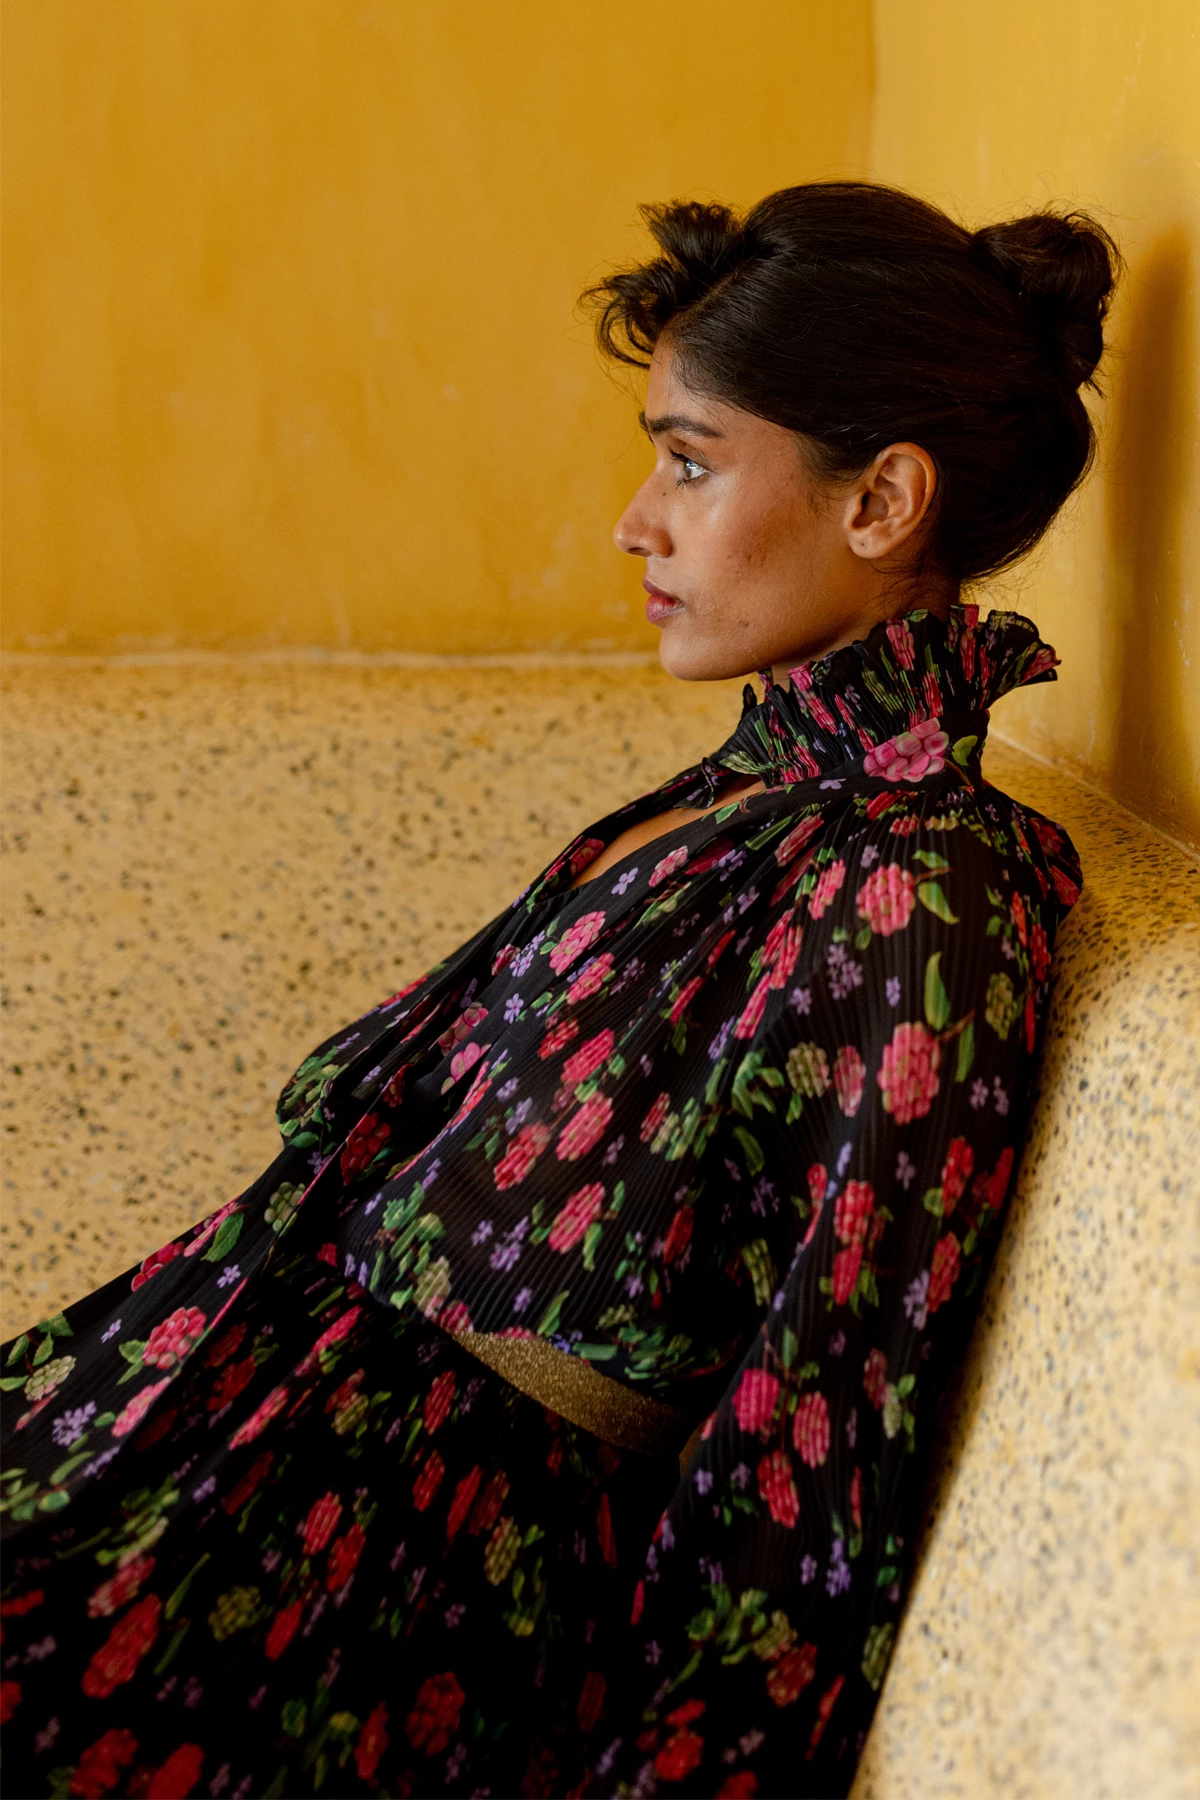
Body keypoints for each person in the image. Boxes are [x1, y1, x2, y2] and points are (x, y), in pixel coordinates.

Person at [1, 182, 1117, 1799]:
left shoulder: (924, 888)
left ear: (882, 499)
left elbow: (823, 1416)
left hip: (358, 1615)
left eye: (690, 462)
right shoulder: (742, 799)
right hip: (198, 1465)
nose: (633, 522)